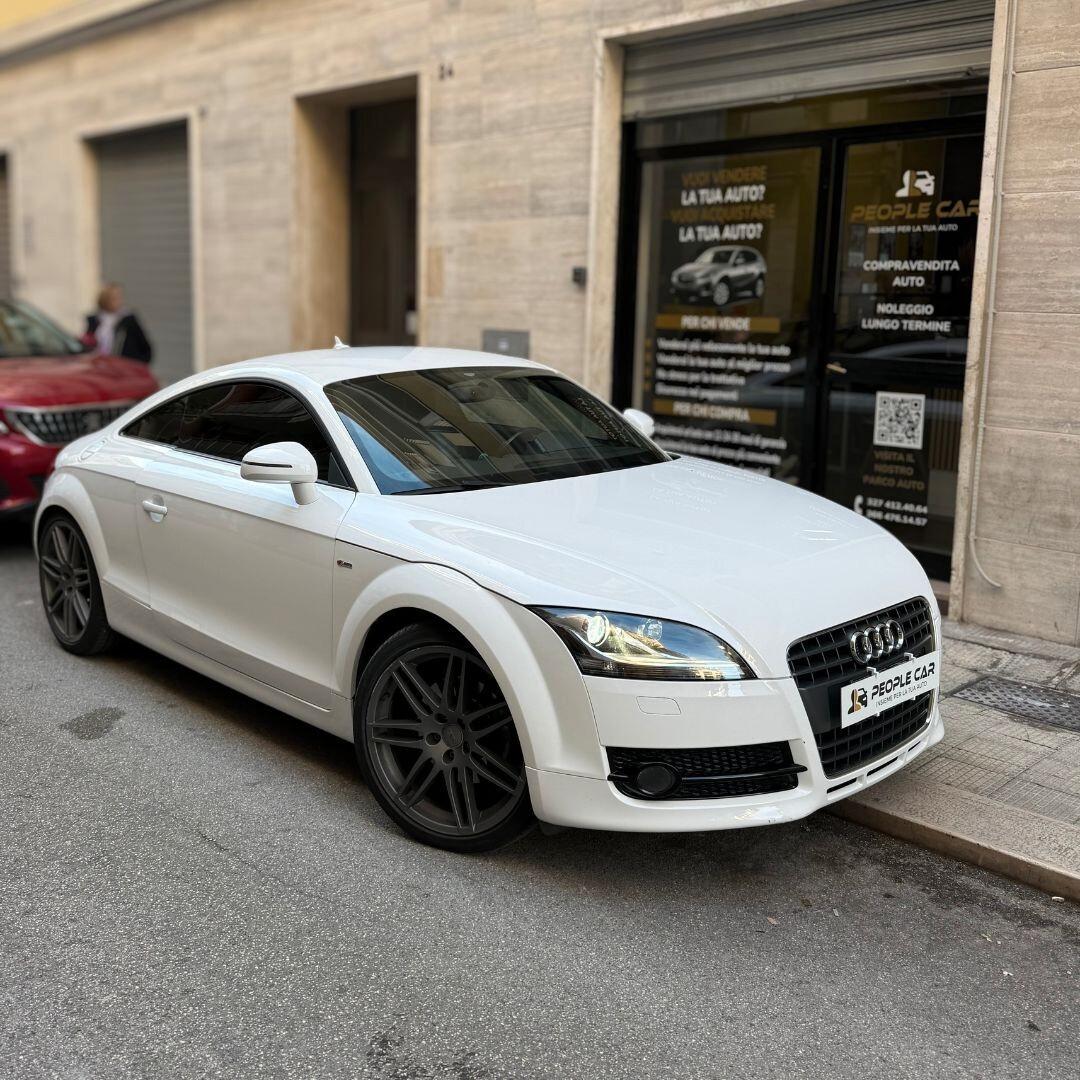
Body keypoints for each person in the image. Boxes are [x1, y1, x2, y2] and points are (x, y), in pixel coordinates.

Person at [84, 284, 153, 363]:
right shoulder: (95, 320)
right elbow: (88, 343)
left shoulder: (129, 320)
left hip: (124, 365)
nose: (117, 301)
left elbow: (144, 348)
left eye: (119, 297)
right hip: (100, 364)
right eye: (112, 298)